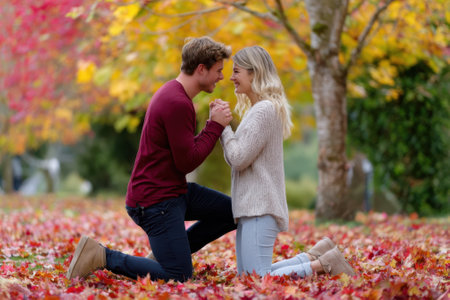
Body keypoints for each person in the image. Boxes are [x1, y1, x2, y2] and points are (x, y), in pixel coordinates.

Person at [66, 37, 237, 282]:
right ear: (201, 68)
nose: (221, 76)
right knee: (178, 275)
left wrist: (211, 125)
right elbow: (187, 162)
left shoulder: (175, 94)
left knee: (232, 211)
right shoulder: (177, 102)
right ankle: (102, 256)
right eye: (218, 70)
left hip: (171, 192)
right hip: (155, 202)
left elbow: (183, 152)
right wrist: (215, 126)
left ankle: (166, 254)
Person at [217, 46, 355, 277]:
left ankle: (321, 265)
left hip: (259, 207)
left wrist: (222, 128)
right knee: (251, 276)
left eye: (237, 71)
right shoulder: (260, 109)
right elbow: (239, 156)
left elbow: (238, 158)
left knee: (256, 278)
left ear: (254, 73)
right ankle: (314, 256)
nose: (231, 77)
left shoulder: (263, 111)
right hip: (254, 207)